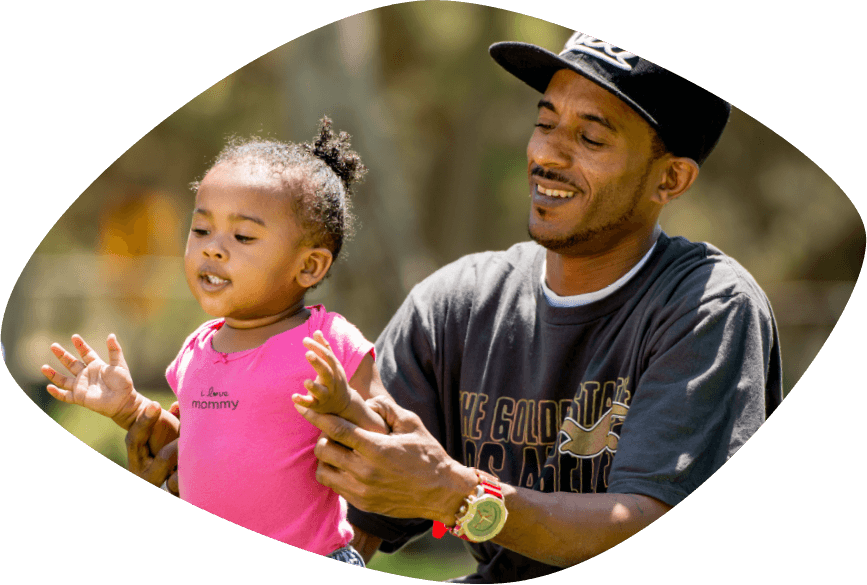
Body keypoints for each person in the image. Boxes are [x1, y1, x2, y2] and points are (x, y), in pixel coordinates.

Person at [127, 32, 783, 582]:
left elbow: (642, 519)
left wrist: (459, 493)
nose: (547, 154)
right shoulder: (457, 303)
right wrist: (214, 467)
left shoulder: (707, 306)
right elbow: (347, 516)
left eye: (590, 137)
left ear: (669, 178)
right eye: (545, 122)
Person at [40, 117, 389, 566]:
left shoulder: (326, 342)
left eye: (242, 236)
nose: (212, 248)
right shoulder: (197, 349)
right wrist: (130, 411)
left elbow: (390, 446)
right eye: (201, 230)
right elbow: (193, 449)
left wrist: (346, 406)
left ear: (309, 267)